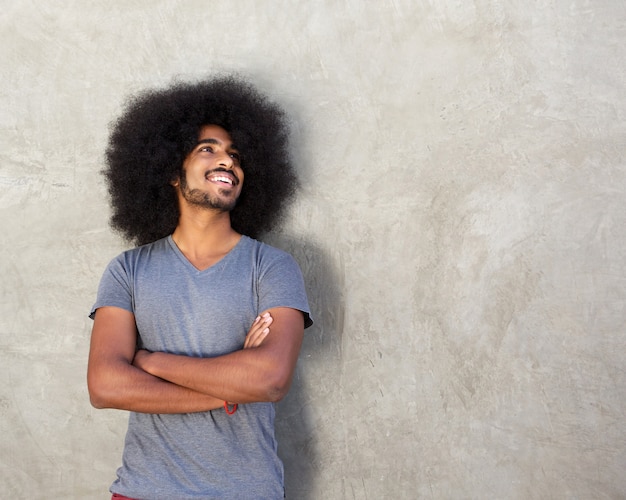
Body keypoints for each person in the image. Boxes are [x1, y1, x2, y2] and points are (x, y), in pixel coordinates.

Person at [87, 75, 312, 499]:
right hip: (143, 490)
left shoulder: (273, 268)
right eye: (208, 149)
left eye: (235, 155)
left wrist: (150, 361)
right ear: (172, 172)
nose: (227, 161)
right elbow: (105, 385)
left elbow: (270, 380)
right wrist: (227, 392)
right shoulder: (127, 271)